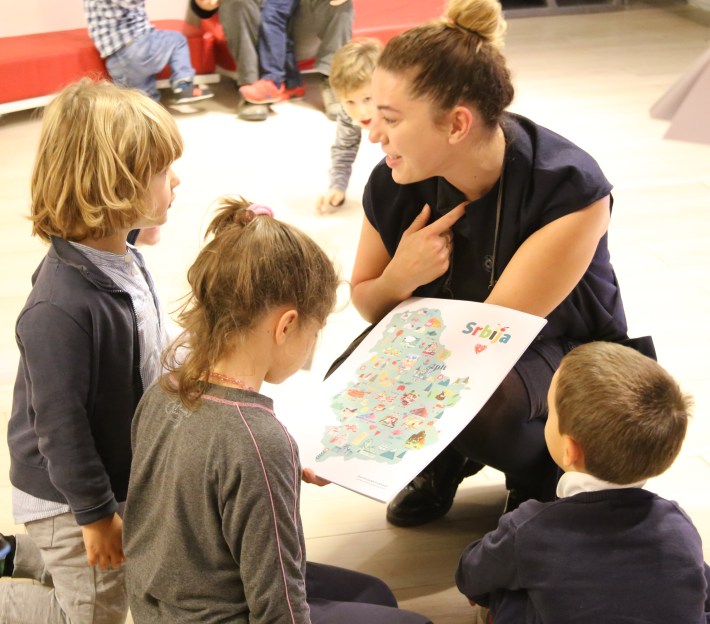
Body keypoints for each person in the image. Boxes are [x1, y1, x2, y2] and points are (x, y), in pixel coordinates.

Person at [347, 0, 638, 528]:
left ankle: (539, 475)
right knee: (350, 376)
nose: (374, 135)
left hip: (557, 347)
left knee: (481, 403)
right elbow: (367, 300)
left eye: (390, 119)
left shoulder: (567, 187)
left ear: (457, 124)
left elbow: (487, 341)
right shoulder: (394, 177)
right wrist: (399, 277)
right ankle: (446, 457)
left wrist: (384, 422)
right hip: (457, 342)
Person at [122, 198, 431, 624]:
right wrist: (270, 467)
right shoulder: (259, 442)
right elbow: (278, 609)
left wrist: (275, 473)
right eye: (315, 330)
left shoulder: (164, 390)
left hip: (164, 602)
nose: (312, 344)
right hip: (224, 613)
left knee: (375, 593)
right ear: (286, 326)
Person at [0, 78, 182, 623]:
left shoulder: (115, 253)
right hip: (69, 494)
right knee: (95, 612)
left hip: (101, 477)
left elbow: (147, 339)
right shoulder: (59, 308)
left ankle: (11, 555)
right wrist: (97, 515)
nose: (176, 180)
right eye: (162, 171)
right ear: (114, 187)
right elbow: (61, 428)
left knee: (97, 574)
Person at [456, 341, 710, 623]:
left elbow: (470, 575)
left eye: (550, 413)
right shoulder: (679, 526)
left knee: (507, 592)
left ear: (570, 450)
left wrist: (482, 590)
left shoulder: (529, 528)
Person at [191, 0, 352, 121]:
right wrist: (203, 4)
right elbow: (203, 7)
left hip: (304, 27)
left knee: (338, 3)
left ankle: (334, 82)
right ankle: (251, 84)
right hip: (256, 27)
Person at [85, 0, 215, 104]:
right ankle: (184, 86)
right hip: (137, 45)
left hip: (115, 60)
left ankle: (144, 123)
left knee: (145, 103)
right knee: (178, 41)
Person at [316, 38, 382, 214]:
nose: (361, 112)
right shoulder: (347, 113)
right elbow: (344, 148)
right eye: (350, 102)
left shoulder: (400, 111)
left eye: (368, 99)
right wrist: (337, 186)